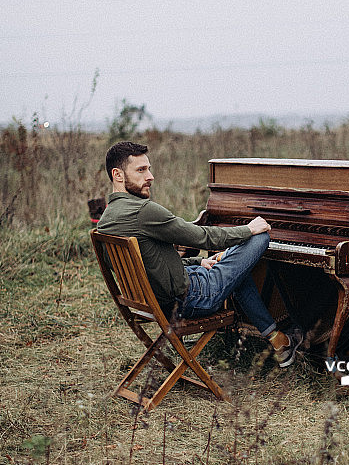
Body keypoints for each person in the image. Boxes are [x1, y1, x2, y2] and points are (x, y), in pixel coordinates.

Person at [97, 141, 302, 367]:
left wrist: (200, 260)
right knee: (259, 238)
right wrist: (249, 229)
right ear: (117, 174)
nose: (151, 176)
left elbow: (150, 262)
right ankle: (285, 336)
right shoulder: (143, 211)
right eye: (141, 170)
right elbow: (201, 237)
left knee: (236, 272)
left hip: (155, 300)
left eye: (149, 168)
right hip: (191, 300)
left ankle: (277, 340)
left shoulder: (107, 218)